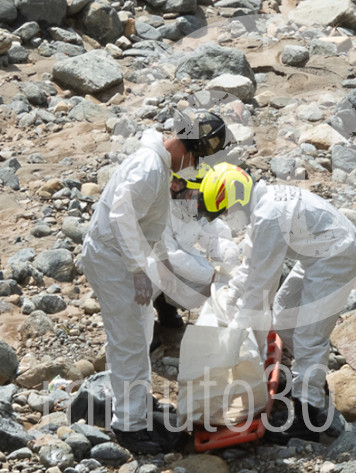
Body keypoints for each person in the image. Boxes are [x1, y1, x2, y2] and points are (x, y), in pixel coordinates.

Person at [79, 111, 229, 454]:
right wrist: (136, 269)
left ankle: (138, 404)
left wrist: (159, 260)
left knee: (141, 330)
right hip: (112, 259)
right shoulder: (149, 168)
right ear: (188, 150)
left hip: (124, 256)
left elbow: (152, 222)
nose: (193, 166)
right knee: (129, 339)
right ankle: (129, 426)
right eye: (197, 158)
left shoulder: (159, 166)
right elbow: (121, 215)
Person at [195, 163, 356, 443]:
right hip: (317, 255)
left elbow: (261, 288)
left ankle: (309, 416)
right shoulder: (262, 207)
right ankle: (307, 380)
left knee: (309, 335)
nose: (227, 218)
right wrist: (230, 295)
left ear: (235, 199)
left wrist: (241, 343)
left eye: (225, 211)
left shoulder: (269, 215)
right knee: (284, 315)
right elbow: (251, 265)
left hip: (335, 258)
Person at [149, 171, 240, 337]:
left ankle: (165, 307)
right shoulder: (158, 208)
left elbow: (214, 236)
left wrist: (230, 261)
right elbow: (170, 255)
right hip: (139, 265)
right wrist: (212, 275)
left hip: (172, 264)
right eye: (193, 194)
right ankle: (141, 328)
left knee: (214, 283)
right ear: (175, 186)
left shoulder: (190, 206)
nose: (196, 199)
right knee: (152, 272)